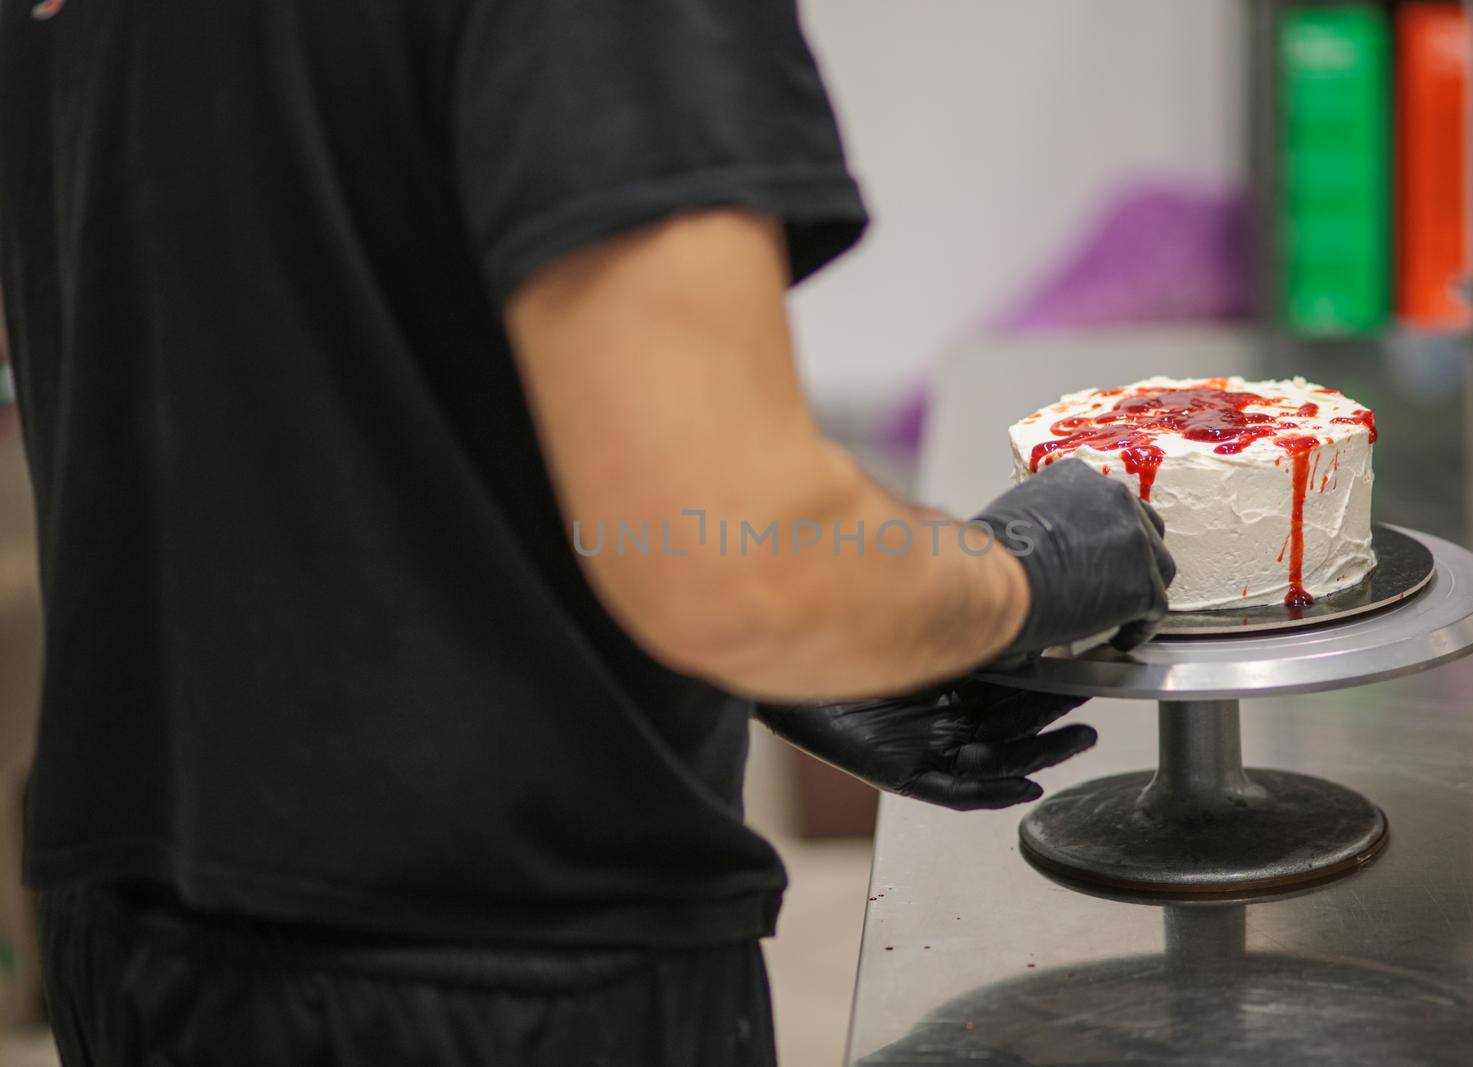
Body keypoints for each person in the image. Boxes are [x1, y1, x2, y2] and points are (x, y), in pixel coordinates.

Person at [0, 1, 1174, 1064]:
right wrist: (1014, 570)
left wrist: (743, 656)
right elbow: (753, 567)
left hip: (139, 934)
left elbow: (311, 371)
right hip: (485, 973)